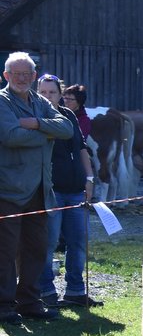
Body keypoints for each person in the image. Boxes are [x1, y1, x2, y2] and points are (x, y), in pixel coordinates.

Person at [1, 52, 74, 324]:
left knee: (36, 249)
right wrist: (46, 134)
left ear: (33, 77)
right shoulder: (1, 101)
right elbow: (9, 135)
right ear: (6, 76)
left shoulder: (40, 102)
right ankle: (4, 306)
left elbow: (66, 128)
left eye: (26, 74)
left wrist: (36, 124)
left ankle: (30, 303)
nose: (21, 79)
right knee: (5, 251)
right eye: (16, 74)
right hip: (7, 190)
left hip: (40, 191)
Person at [35, 75, 99, 308]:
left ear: (60, 93)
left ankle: (74, 290)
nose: (47, 96)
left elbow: (81, 148)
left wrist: (89, 179)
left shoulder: (69, 115)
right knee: (49, 242)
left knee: (78, 242)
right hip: (50, 191)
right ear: (37, 92)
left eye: (52, 92)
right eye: (43, 92)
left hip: (75, 190)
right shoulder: (35, 117)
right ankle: (46, 290)